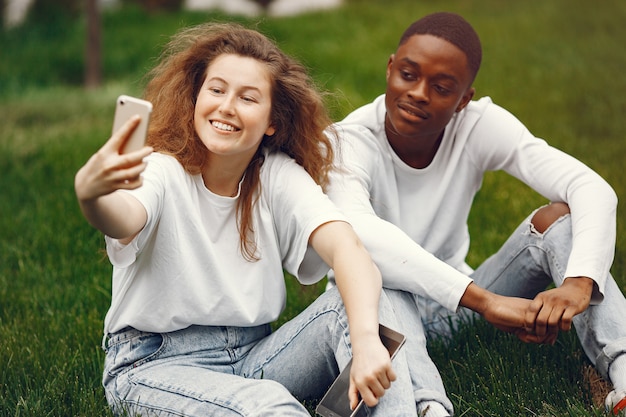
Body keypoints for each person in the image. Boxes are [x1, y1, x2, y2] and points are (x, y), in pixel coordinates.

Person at [74, 22, 418, 416]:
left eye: (248, 98)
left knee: (369, 309)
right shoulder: (162, 170)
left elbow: (348, 250)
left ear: (272, 120)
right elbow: (124, 218)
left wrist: (365, 341)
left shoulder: (276, 174)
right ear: (195, 98)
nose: (226, 106)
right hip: (155, 364)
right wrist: (92, 195)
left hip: (254, 355)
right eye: (216, 90)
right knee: (269, 406)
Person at [325, 11, 626, 416]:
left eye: (442, 87)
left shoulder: (478, 124)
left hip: (454, 308)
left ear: (464, 99)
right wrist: (486, 302)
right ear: (390, 68)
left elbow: (591, 188)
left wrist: (579, 281)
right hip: (373, 317)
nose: (418, 93)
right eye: (408, 75)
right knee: (377, 267)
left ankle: (623, 372)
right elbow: (361, 236)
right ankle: (430, 408)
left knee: (557, 219)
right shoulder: (347, 143)